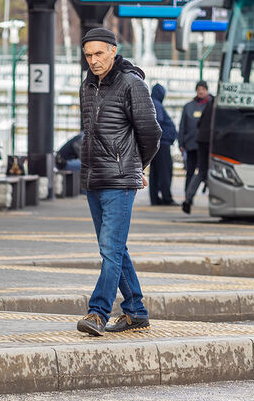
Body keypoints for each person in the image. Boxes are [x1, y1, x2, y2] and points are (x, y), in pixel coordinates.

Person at [74, 28, 160, 337]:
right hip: (94, 178)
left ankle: (97, 312)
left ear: (114, 50)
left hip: (120, 181)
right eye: (88, 55)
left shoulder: (132, 84)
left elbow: (152, 134)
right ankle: (135, 310)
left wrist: (136, 166)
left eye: (98, 54)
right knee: (114, 248)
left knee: (110, 249)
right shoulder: (87, 86)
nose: (93, 60)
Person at [178, 81, 211, 213]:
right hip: (191, 144)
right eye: (199, 89)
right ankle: (188, 198)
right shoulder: (189, 106)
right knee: (192, 173)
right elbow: (182, 126)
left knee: (205, 173)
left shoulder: (211, 104)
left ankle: (211, 197)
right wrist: (181, 143)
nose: (201, 91)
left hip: (206, 146)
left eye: (203, 89)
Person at [182, 94, 216, 215]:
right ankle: (217, 199)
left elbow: (199, 123)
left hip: (201, 140)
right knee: (216, 171)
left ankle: (188, 198)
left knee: (201, 172)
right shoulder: (218, 105)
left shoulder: (209, 104)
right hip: (211, 142)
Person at [148, 84, 178, 206]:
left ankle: (155, 198)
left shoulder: (152, 103)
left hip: (156, 144)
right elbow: (157, 122)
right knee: (165, 172)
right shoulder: (157, 105)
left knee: (155, 173)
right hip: (162, 144)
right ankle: (167, 198)